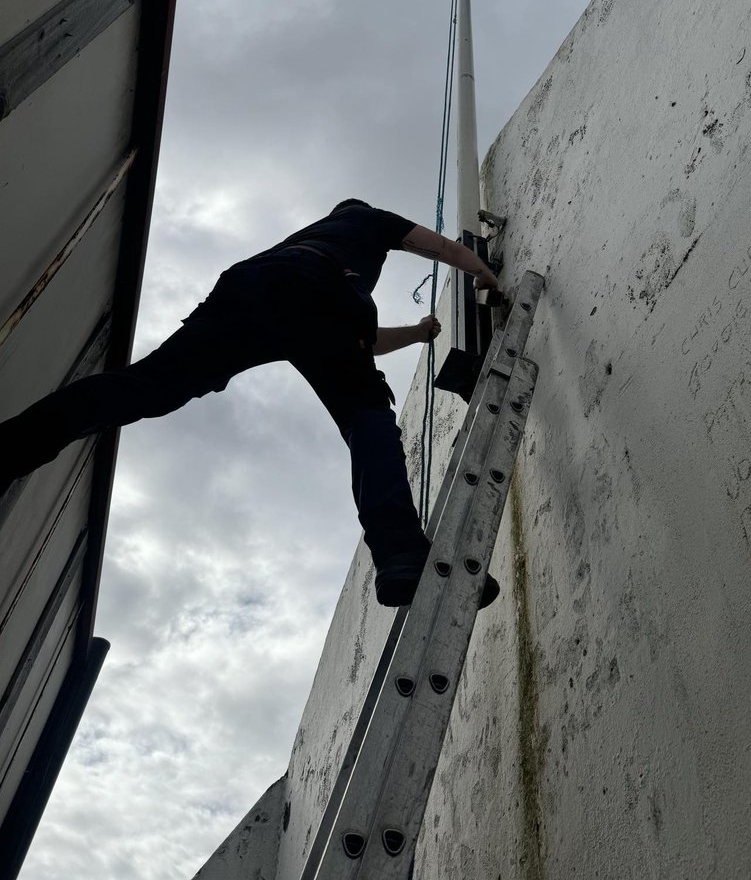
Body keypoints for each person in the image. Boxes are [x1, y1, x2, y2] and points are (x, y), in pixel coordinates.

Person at [1, 200, 501, 607]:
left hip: (246, 291)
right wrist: (480, 268)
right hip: (317, 293)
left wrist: (416, 335)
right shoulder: (361, 218)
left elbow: (351, 341)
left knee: (146, 386)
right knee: (366, 417)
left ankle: (13, 447)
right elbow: (427, 245)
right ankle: (399, 553)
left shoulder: (304, 243)